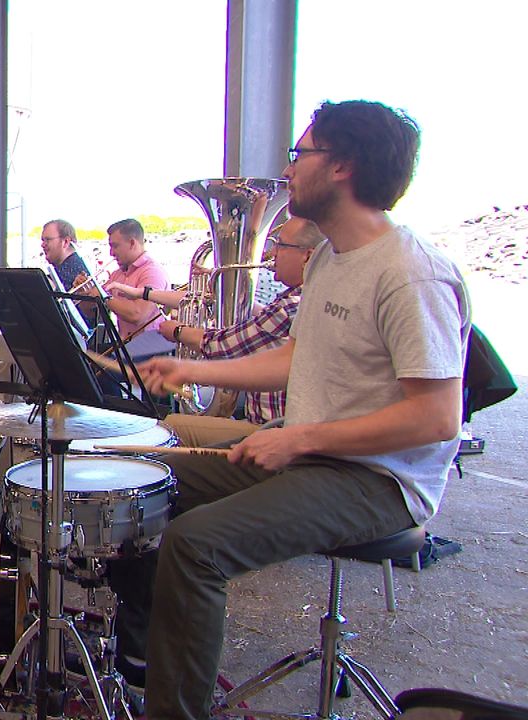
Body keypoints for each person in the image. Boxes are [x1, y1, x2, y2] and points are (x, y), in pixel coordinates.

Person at [123, 100, 470, 720]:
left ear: (342, 167)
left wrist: (301, 437)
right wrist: (194, 367)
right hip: (316, 451)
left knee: (195, 545)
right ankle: (140, 658)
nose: (289, 169)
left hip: (376, 480)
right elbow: (295, 357)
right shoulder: (334, 258)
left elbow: (437, 419)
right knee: (148, 470)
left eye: (299, 153)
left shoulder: (409, 273)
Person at [109, 218, 325, 444]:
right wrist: (221, 292)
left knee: (169, 427)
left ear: (307, 256)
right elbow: (252, 314)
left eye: (281, 245)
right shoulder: (292, 302)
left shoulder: (292, 305)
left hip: (270, 430)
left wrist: (178, 331)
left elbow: (224, 345)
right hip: (263, 423)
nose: (272, 252)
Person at [100, 219, 170, 345]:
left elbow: (137, 315)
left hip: (150, 349)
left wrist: (102, 296)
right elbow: (91, 310)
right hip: (127, 347)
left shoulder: (153, 272)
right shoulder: (117, 274)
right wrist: (86, 291)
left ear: (132, 243)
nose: (111, 253)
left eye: (115, 246)